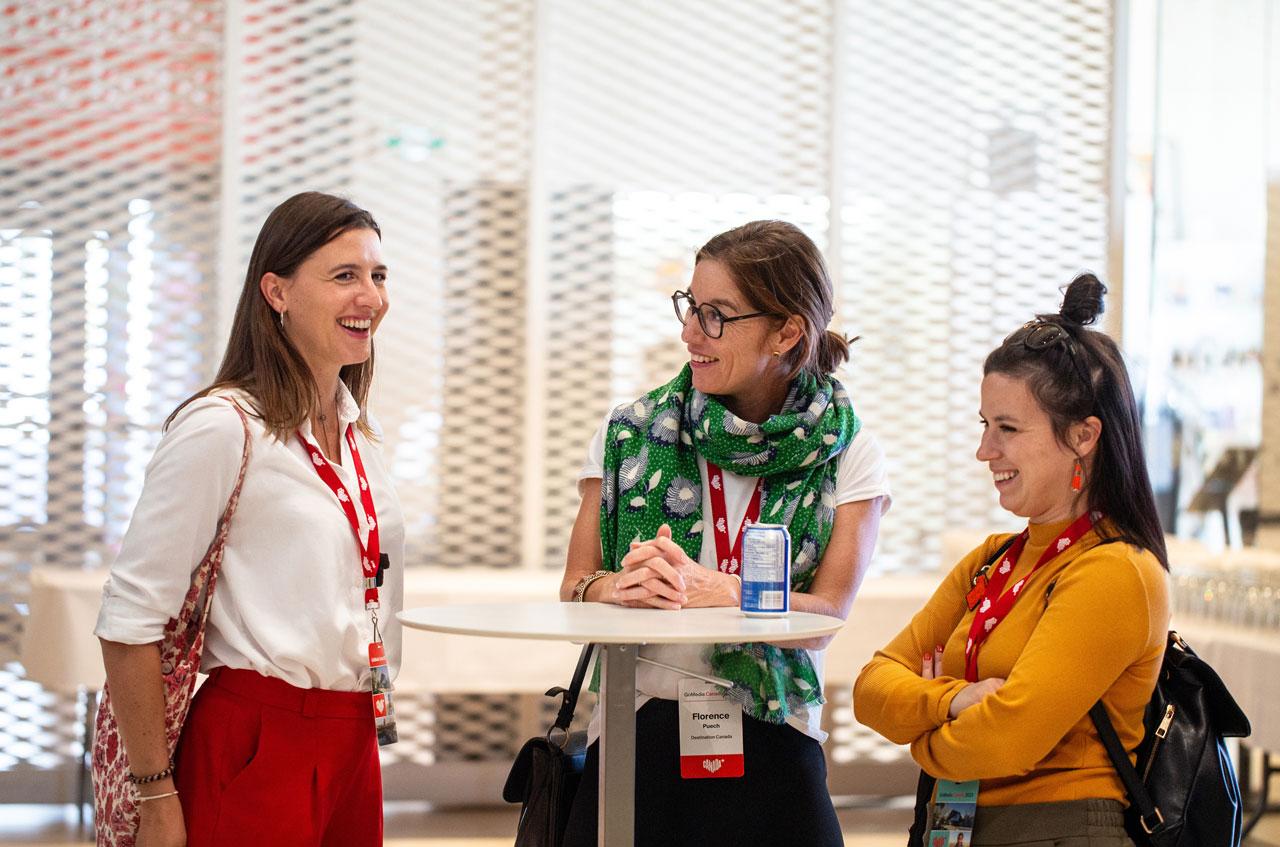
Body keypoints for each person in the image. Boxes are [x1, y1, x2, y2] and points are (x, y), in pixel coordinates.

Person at [559, 220, 891, 846]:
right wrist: (623, 589)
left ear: (787, 330)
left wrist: (725, 591)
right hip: (635, 729)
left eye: (716, 315)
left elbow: (826, 617)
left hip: (776, 734)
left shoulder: (848, 451)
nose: (689, 333)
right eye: (690, 307)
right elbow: (576, 586)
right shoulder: (629, 433)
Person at [95, 192, 403, 847]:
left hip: (354, 737)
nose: (370, 296)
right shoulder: (222, 426)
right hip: (257, 738)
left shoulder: (358, 434)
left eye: (377, 276)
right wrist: (155, 794)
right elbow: (128, 621)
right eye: (344, 275)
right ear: (277, 291)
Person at [854, 273, 1170, 846]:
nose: (984, 451)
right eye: (984, 426)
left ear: (1083, 436)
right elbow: (871, 688)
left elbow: (1004, 741)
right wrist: (956, 699)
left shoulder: (1115, 572)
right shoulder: (990, 561)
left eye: (1007, 429)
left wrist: (922, 730)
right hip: (954, 825)